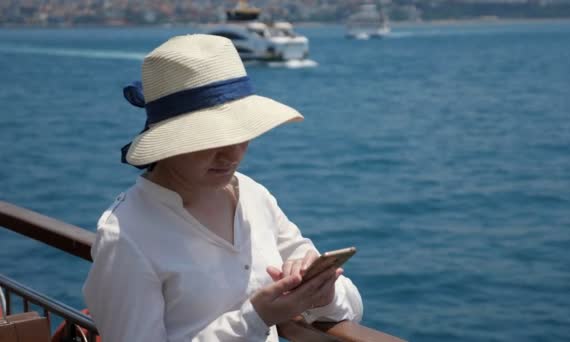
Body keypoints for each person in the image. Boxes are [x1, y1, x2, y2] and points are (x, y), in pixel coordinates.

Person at [82, 34, 363, 342]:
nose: (232, 154)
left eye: (242, 133)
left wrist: (324, 294)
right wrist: (255, 318)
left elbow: (351, 309)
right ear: (168, 141)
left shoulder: (253, 195)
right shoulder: (126, 236)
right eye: (212, 139)